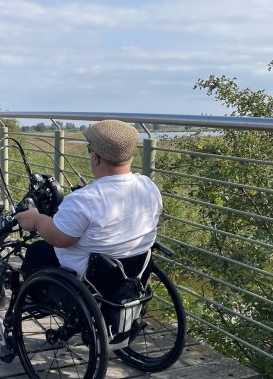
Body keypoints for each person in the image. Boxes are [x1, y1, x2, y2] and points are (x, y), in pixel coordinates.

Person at [14, 119, 162, 280]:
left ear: (96, 157)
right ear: (130, 157)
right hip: (136, 271)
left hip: (92, 278)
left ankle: (27, 295)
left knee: (37, 251)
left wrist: (37, 220)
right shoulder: (148, 186)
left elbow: (59, 239)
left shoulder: (84, 200)